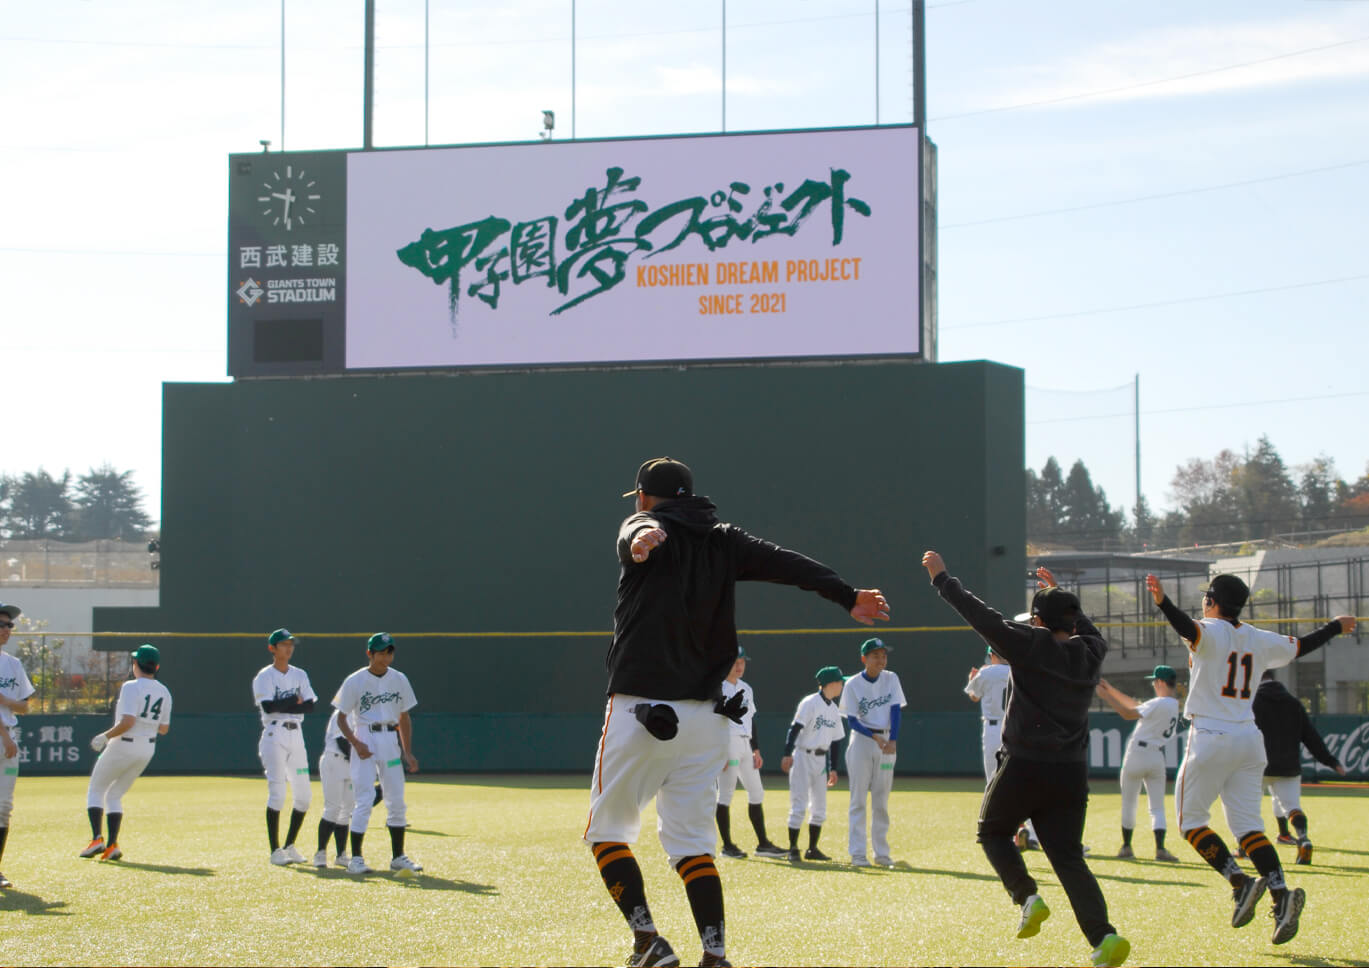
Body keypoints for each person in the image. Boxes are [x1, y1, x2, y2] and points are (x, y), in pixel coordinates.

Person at [584, 457, 889, 968]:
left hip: (641, 709)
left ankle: (648, 942)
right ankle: (715, 954)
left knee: (606, 833)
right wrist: (846, 595)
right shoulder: (725, 540)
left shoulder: (644, 524)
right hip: (706, 720)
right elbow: (788, 563)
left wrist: (639, 541)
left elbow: (638, 530)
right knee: (692, 846)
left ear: (643, 496)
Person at [923, 552, 1129, 968]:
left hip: (1024, 764)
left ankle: (1027, 896)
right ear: (1072, 623)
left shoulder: (1029, 643)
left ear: (1037, 620)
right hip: (1071, 772)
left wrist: (942, 579)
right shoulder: (1091, 651)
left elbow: (983, 617)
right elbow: (1087, 631)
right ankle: (1104, 936)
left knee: (992, 832)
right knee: (1068, 857)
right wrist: (1064, 603)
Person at [1147, 571, 1356, 946]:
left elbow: (1186, 625)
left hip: (1211, 736)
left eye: (1206, 599)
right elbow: (1303, 646)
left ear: (1212, 601)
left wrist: (1163, 603)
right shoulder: (1258, 638)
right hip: (1248, 738)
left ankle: (1239, 882)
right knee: (1248, 828)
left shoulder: (1210, 630)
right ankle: (1280, 893)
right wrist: (1335, 627)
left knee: (1191, 823)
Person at [333, 632, 421, 876]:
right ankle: (357, 858)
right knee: (364, 798)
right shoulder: (355, 680)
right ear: (369, 653)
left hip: (389, 739)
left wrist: (407, 752)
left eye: (389, 651)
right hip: (365, 735)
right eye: (381, 652)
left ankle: (398, 857)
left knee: (396, 798)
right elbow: (341, 718)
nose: (386, 656)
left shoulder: (399, 679)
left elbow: (404, 717)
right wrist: (356, 743)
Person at [81, 644, 173, 862]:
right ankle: (112, 845)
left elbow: (128, 721)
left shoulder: (131, 686)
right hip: (147, 748)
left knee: (96, 789)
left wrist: (105, 736)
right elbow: (163, 729)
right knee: (115, 795)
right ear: (156, 666)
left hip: (124, 744)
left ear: (136, 664)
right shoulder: (165, 691)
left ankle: (97, 839)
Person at [1252, 670, 1346, 866]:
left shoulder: (1250, 701)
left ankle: (1246, 846)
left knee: (1249, 809)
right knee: (1292, 808)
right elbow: (1311, 738)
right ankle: (1303, 838)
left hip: (1257, 764)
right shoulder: (1293, 703)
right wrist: (1331, 761)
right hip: (1288, 766)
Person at [1095, 666, 1182, 862]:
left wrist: (1105, 697)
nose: (1153, 684)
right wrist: (1111, 689)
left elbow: (1128, 713)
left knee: (1129, 803)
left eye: (1154, 681)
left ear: (1160, 682)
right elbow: (1135, 705)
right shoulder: (1172, 704)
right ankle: (1160, 848)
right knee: (1157, 807)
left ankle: (1126, 846)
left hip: (1137, 754)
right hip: (1157, 756)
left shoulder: (1160, 702)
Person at [252, 628, 317, 865]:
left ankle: (290, 845)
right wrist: (294, 701)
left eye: (291, 644)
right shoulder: (264, 676)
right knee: (278, 793)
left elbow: (310, 706)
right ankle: (275, 850)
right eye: (284, 644)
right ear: (272, 648)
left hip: (296, 735)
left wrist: (289, 704)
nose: (289, 648)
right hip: (274, 734)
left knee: (304, 796)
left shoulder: (300, 674)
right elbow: (269, 708)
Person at [839, 637, 905, 868]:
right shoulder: (853, 684)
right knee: (858, 799)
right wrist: (875, 736)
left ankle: (882, 854)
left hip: (887, 742)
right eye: (875, 655)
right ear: (863, 659)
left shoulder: (891, 678)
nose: (881, 659)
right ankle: (858, 854)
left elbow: (896, 710)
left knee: (881, 800)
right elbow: (852, 720)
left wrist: (893, 739)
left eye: (883, 655)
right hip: (863, 743)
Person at [714, 648, 785, 860]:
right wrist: (719, 751)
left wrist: (756, 749)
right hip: (728, 743)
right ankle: (727, 846)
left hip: (745, 744)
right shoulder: (717, 687)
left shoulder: (746, 688)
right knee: (725, 794)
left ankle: (763, 844)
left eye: (742, 662)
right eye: (735, 662)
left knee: (757, 792)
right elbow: (712, 721)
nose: (739, 666)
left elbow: (751, 719)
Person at [780, 665, 845, 862]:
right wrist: (786, 754)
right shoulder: (809, 703)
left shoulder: (834, 709)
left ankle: (812, 848)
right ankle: (793, 848)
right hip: (802, 756)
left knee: (819, 807)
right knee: (799, 803)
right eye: (840, 682)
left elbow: (836, 740)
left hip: (820, 760)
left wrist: (833, 768)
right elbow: (795, 728)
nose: (842, 685)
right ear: (831, 684)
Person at [0, 602, 34, 891]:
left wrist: (7, 703)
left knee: (4, 807)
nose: (6, 629)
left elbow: (25, 706)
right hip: (5, 738)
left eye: (9, 625)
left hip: (9, 738)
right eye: (2, 624)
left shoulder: (13, 664)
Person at [313, 708, 364, 868]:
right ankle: (320, 853)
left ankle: (341, 854)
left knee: (346, 810)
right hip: (334, 760)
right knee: (332, 808)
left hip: (350, 764)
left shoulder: (362, 715)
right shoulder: (343, 713)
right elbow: (342, 742)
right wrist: (362, 755)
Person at [965, 646, 1010, 784]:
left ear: (992, 655)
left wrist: (971, 679)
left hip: (994, 729)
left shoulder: (985, 672)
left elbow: (974, 696)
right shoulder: (1017, 671)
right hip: (1015, 727)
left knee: (992, 779)